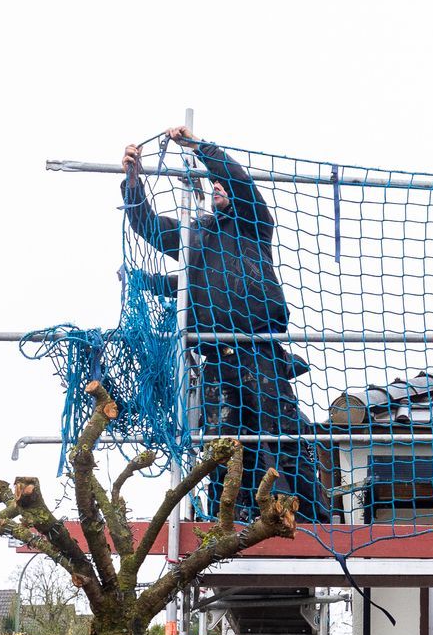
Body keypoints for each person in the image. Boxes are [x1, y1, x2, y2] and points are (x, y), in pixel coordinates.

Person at [121, 126, 330, 521]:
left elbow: (242, 183)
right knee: (223, 445)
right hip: (217, 356)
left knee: (282, 434)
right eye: (212, 185)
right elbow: (147, 226)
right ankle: (226, 520)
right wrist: (134, 180)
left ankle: (317, 517)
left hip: (260, 352)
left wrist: (201, 149)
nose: (217, 188)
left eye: (221, 184)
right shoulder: (193, 235)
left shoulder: (253, 224)